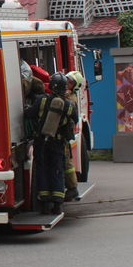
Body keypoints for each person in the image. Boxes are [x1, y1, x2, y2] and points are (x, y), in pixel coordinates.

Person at [26, 72, 78, 214]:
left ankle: (45, 203)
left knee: (42, 170)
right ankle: (58, 204)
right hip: (58, 143)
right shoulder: (69, 105)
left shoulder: (41, 100)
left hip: (41, 142)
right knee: (57, 170)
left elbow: (29, 114)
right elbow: (76, 119)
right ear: (64, 87)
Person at [62, 71, 84, 201]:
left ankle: (72, 189)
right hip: (64, 133)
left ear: (75, 86)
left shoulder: (70, 99)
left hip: (64, 134)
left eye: (70, 82)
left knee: (67, 163)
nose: (67, 83)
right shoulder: (67, 95)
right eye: (67, 80)